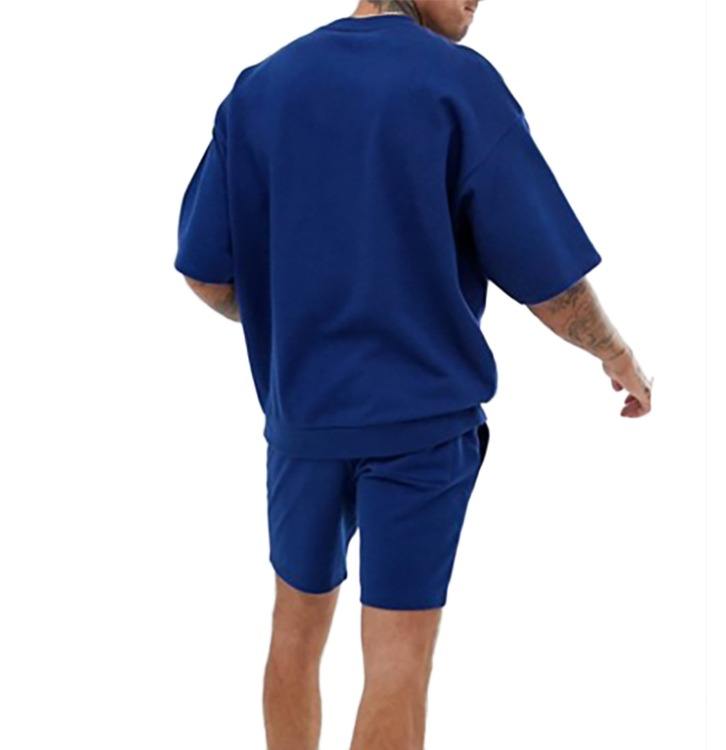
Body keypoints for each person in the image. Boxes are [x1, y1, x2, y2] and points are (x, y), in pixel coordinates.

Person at [174, 0, 654, 747]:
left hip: (303, 423)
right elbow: (547, 277)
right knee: (398, 660)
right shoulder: (456, 85)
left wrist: (293, 320)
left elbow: (206, 273)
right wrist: (614, 351)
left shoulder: (261, 89)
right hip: (420, 431)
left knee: (294, 630)